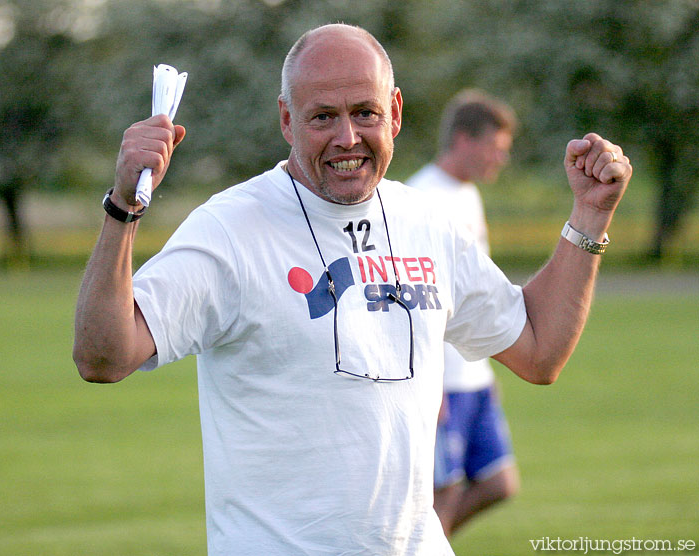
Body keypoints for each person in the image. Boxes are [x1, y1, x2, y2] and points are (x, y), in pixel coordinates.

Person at [73, 23, 632, 556]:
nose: (348, 138)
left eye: (365, 112)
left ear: (394, 113)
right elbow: (104, 355)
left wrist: (589, 216)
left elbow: (539, 349)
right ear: (287, 121)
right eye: (323, 117)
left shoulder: (428, 222)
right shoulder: (230, 230)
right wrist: (124, 207)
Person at [406, 89, 520, 537]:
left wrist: (488, 374)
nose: (500, 159)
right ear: (463, 139)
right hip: (442, 385)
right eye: (495, 148)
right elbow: (409, 300)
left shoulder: (467, 194)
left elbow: (471, 299)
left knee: (499, 484)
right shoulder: (421, 199)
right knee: (442, 497)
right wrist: (427, 383)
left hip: (473, 379)